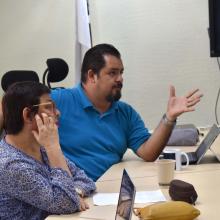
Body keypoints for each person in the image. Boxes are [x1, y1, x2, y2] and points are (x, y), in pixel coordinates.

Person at [52, 44, 202, 182]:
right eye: (112, 73)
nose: (120, 79)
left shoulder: (125, 112)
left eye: (121, 72)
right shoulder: (58, 101)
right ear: (92, 76)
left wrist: (169, 117)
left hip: (110, 190)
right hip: (74, 194)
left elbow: (148, 152)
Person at [0, 81, 96, 220]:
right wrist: (53, 147)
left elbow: (84, 179)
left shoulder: (41, 148)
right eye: (49, 107)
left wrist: (74, 192)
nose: (57, 113)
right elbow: (67, 203)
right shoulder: (11, 164)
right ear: (27, 115)